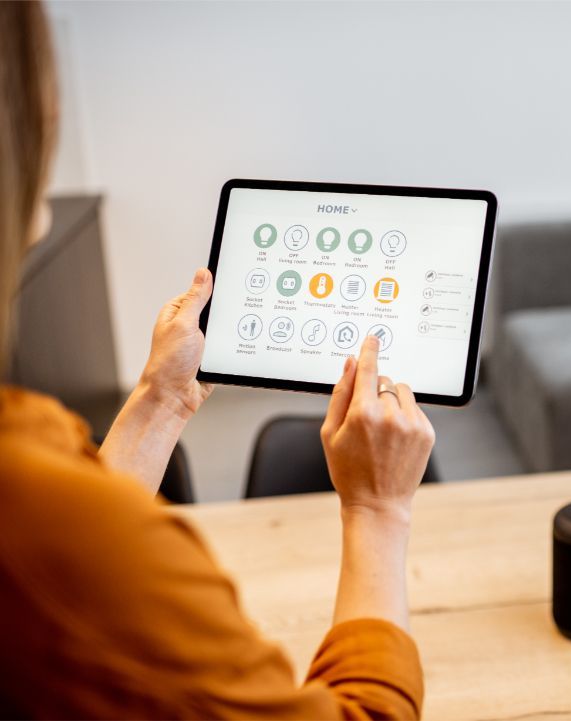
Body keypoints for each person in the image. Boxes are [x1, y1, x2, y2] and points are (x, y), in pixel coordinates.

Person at [0, 4, 435, 718]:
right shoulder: (29, 512)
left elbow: (74, 537)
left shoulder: (44, 501)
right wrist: (377, 508)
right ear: (39, 117)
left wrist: (160, 398)